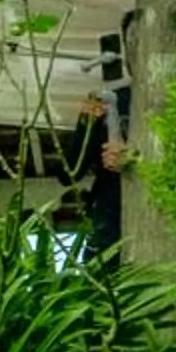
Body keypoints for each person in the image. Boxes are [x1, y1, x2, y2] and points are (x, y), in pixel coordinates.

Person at [62, 92, 129, 256]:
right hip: (110, 214)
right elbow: (69, 174)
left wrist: (133, 157)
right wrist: (87, 123)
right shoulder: (105, 101)